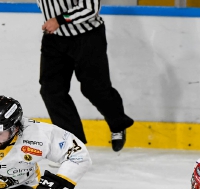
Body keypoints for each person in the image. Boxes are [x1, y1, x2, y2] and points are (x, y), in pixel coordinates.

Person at [37, 0, 134, 152]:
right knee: (50, 91)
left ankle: (118, 124)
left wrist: (59, 20)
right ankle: (73, 144)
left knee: (94, 89)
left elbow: (91, 9)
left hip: (87, 37)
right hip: (54, 38)